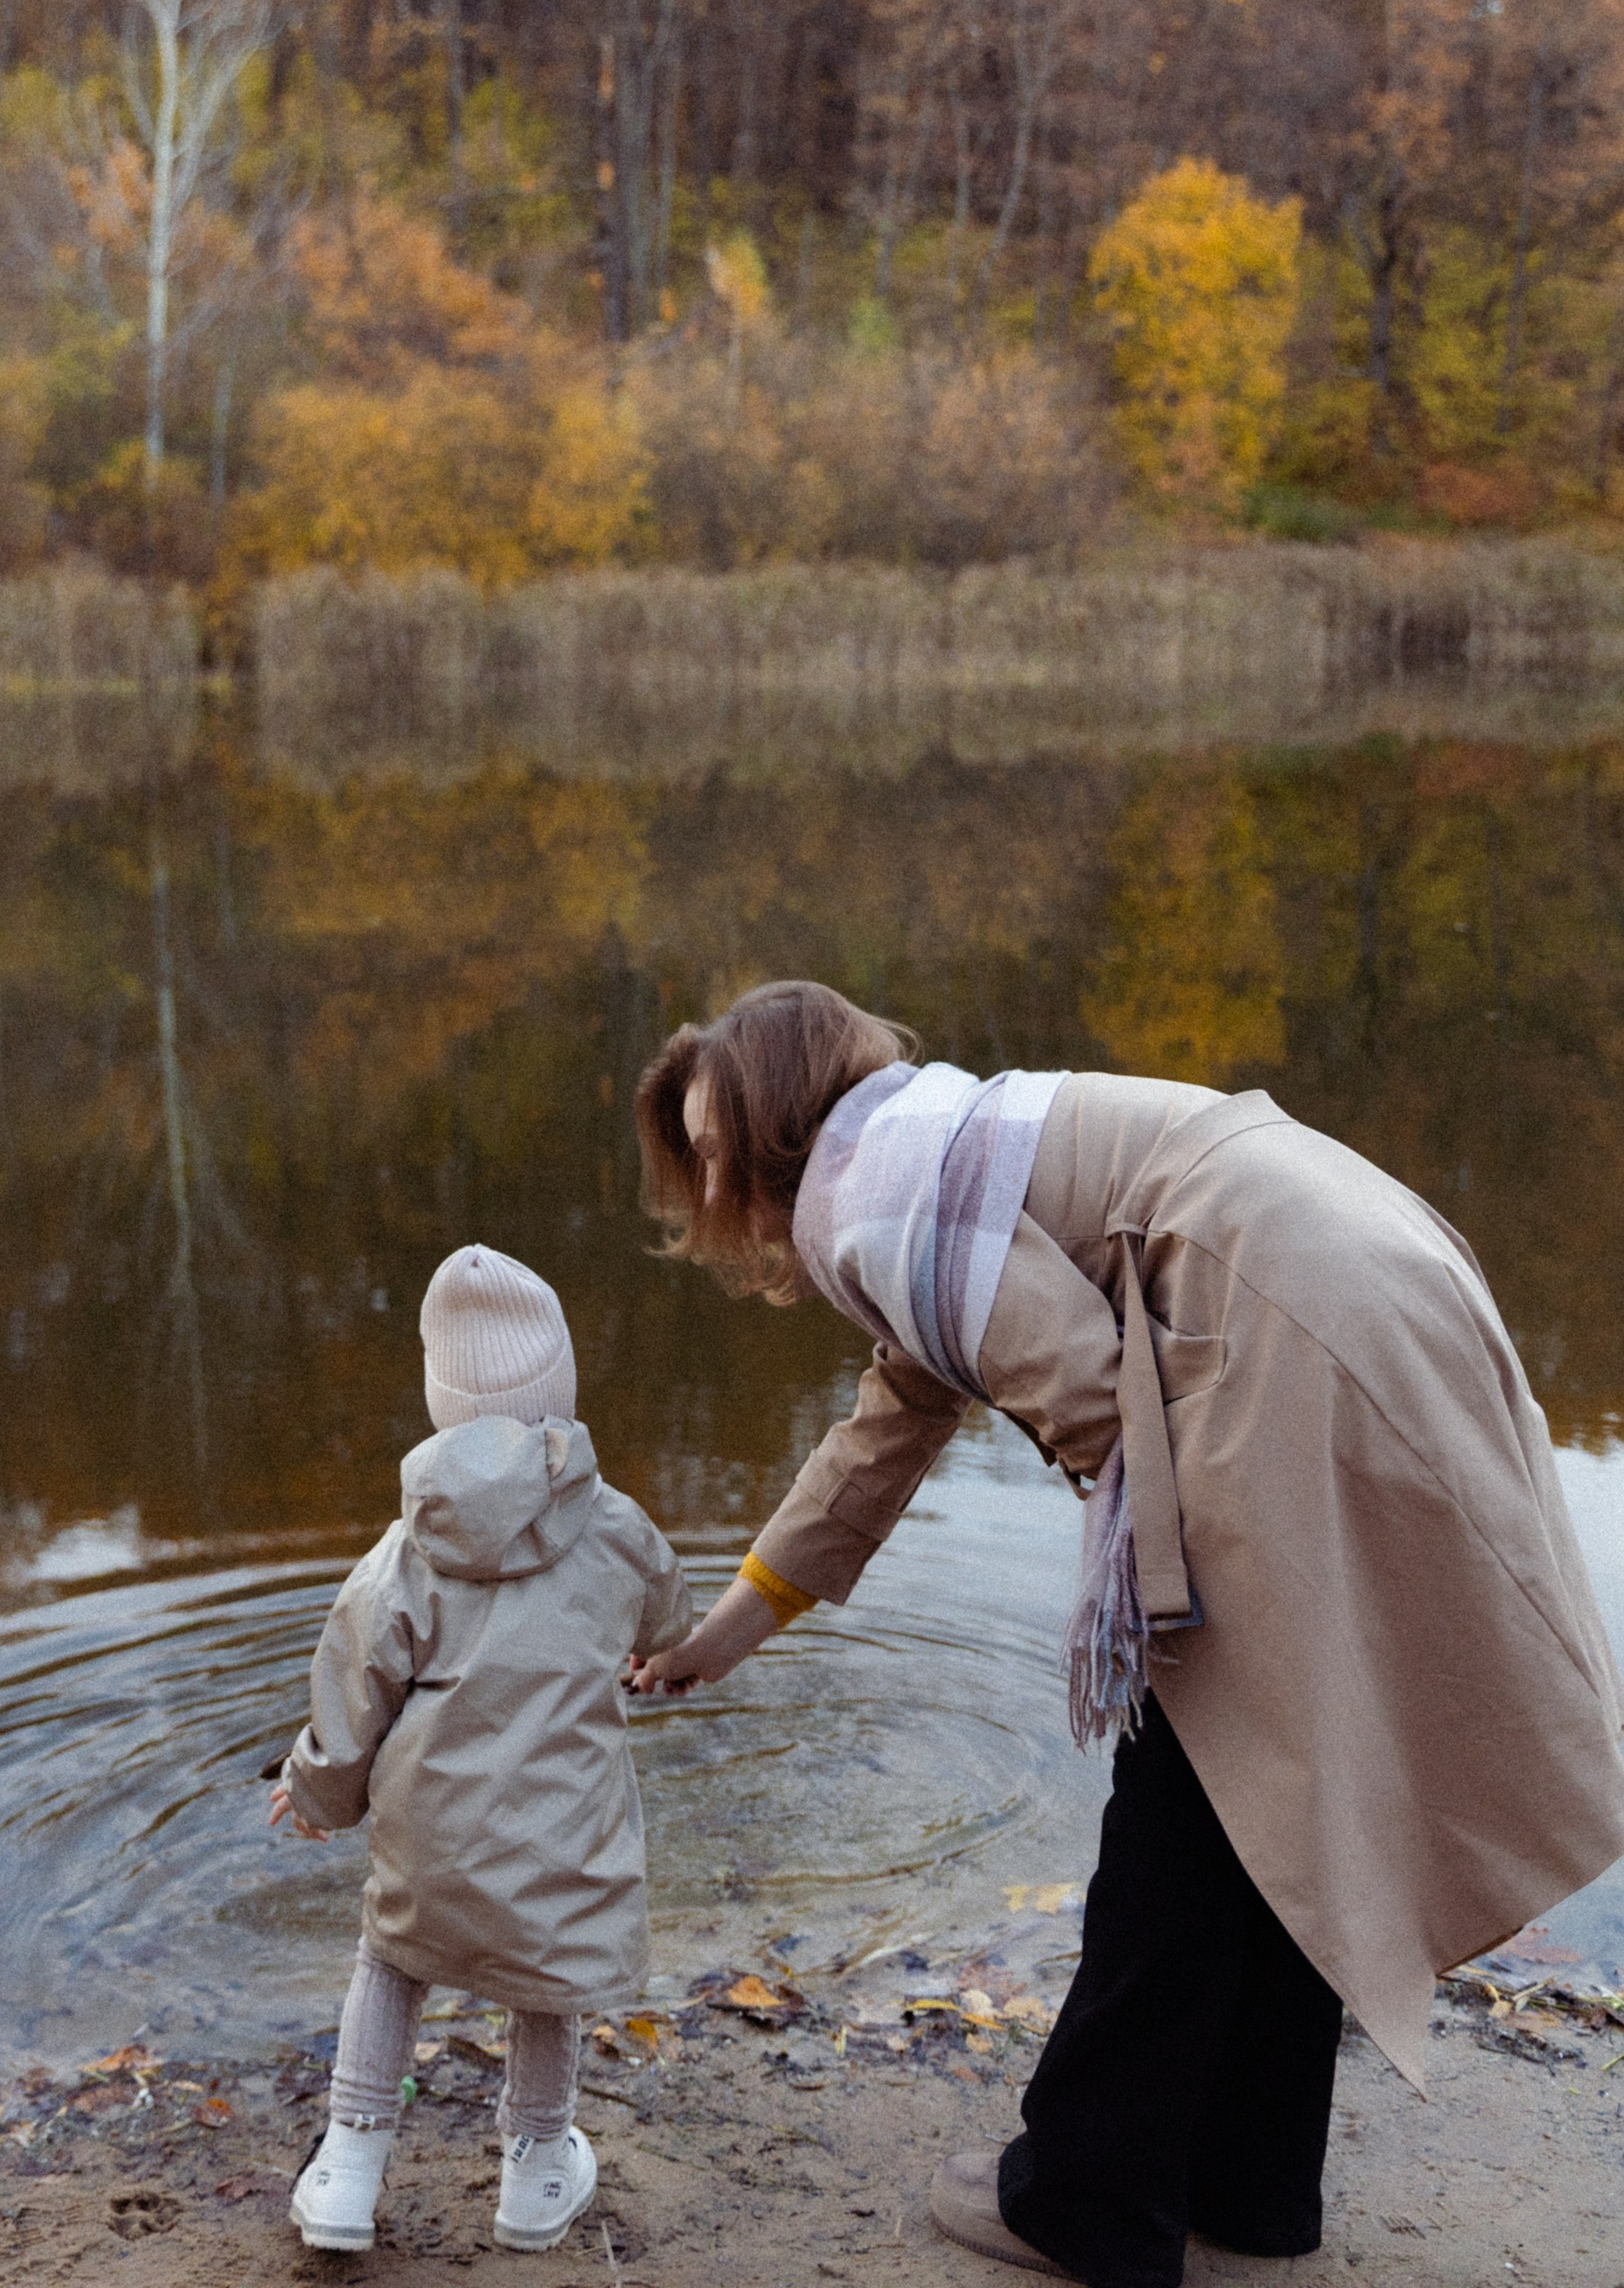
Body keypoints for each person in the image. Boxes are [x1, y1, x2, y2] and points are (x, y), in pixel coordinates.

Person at [628, 979, 1624, 2288]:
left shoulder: (873, 1204)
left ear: (778, 1124)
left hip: (1280, 1311)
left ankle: (1091, 2193)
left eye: (713, 1144)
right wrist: (723, 1633)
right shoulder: (929, 1156)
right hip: (1363, 1260)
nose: (711, 1180)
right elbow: (884, 1435)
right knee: (1268, 1769)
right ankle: (1252, 2187)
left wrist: (1147, 1589)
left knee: (1190, 1773)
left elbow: (1095, 1398)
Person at [273, 1242, 691, 2255]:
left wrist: (318, 1793)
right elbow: (669, 1618)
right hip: (564, 1836)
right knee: (548, 1980)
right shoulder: (620, 1530)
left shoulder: (404, 1555)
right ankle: (538, 2171)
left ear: (439, 1403)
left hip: (430, 1839)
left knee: (390, 1958)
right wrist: (652, 1654)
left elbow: (352, 1688)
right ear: (564, 1390)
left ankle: (349, 2168)